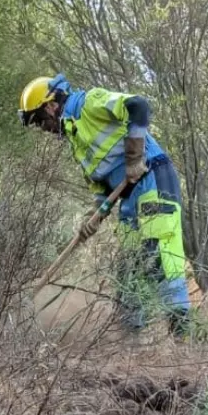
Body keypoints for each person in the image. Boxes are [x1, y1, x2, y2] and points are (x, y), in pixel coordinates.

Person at [18, 74, 191, 338]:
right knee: (127, 268)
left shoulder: (89, 103)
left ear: (51, 105)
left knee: (157, 257)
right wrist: (93, 216)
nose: (43, 128)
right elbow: (101, 186)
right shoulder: (75, 139)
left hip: (152, 179)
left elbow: (138, 106)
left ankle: (185, 335)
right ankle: (130, 341)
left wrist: (134, 156)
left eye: (40, 121)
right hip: (128, 195)